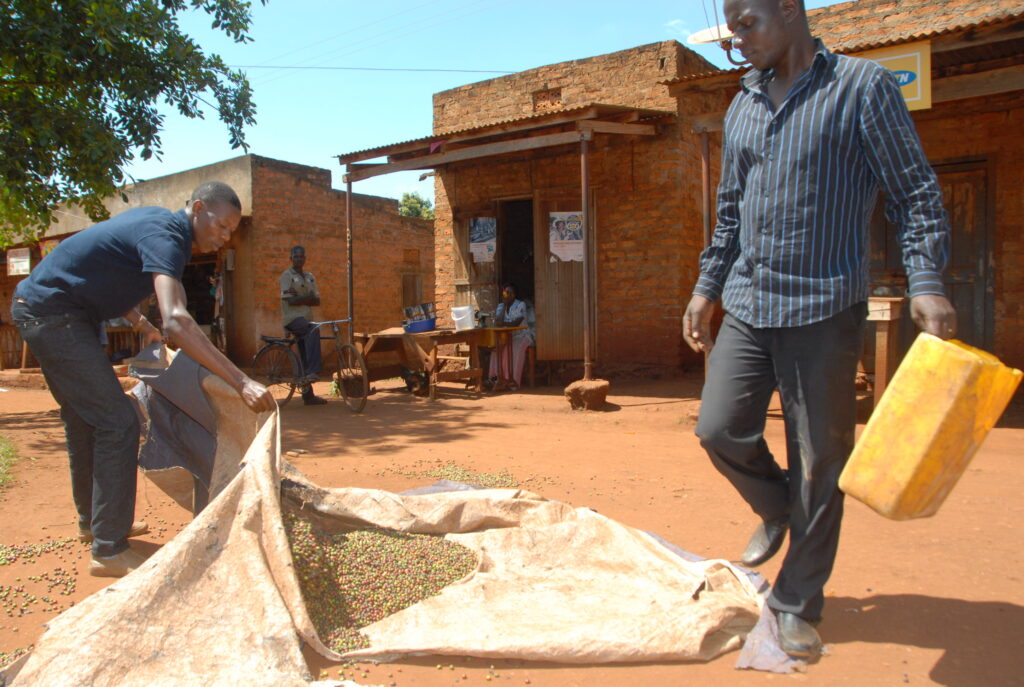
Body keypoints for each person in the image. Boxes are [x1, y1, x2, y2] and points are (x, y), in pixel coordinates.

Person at [682, 0, 956, 659]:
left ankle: (797, 601)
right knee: (719, 427)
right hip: (749, 300)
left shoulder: (861, 90)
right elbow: (730, 213)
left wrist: (925, 280)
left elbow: (915, 190)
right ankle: (777, 505)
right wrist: (705, 288)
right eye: (731, 30)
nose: (738, 42)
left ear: (789, 10)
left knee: (819, 461)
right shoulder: (743, 105)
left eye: (748, 24)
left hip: (825, 305)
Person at [11, 181, 276, 578]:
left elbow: (106, 270)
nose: (224, 238)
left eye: (230, 232)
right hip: (54, 317)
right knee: (119, 421)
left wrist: (139, 321)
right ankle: (109, 549)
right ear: (198, 207)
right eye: (221, 226)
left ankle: (96, 524)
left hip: (52, 312)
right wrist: (241, 382)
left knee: (85, 420)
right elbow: (178, 320)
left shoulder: (159, 227)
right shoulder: (168, 237)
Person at [279, 245, 327, 405]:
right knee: (313, 329)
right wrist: (308, 297)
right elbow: (290, 301)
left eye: (301, 257)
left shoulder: (309, 276)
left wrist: (303, 298)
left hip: (305, 318)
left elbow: (318, 300)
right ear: (291, 258)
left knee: (305, 349)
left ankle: (308, 396)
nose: (299, 259)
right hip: (292, 319)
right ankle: (313, 371)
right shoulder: (287, 276)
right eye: (296, 256)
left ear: (305, 259)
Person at [489, 282, 533, 391]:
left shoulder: (520, 305)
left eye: (509, 293)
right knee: (497, 350)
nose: (506, 295)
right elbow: (498, 322)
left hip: (522, 336)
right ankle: (496, 378)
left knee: (512, 350)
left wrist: (504, 323)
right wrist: (504, 305)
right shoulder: (501, 306)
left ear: (513, 295)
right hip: (508, 336)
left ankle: (512, 381)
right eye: (505, 293)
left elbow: (516, 323)